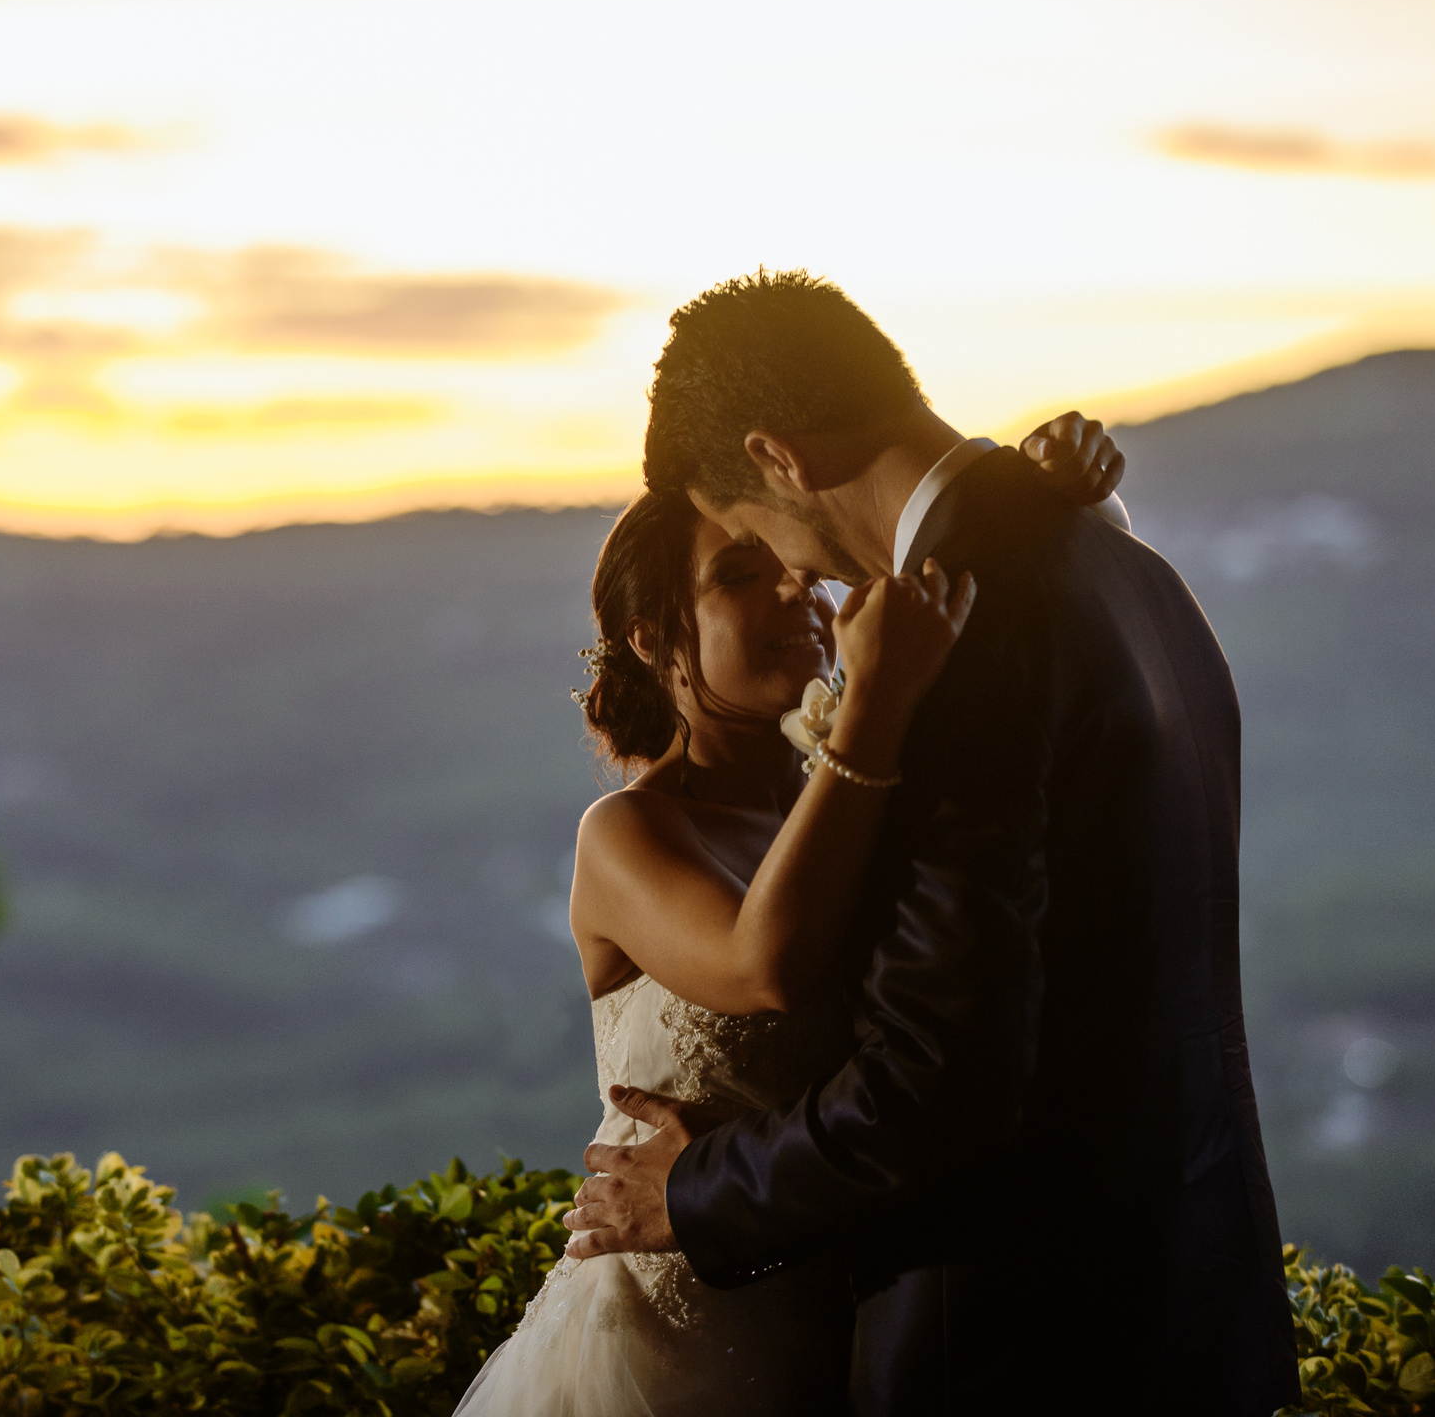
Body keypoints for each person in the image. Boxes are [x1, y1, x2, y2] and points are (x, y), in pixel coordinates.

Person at [560, 270, 1300, 1415]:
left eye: (758, 534)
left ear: (779, 457)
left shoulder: (959, 646)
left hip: (1017, 1343)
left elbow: (937, 1083)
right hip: (1196, 1300)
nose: (800, 581)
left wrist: (693, 1194)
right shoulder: (1127, 570)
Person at [453, 418, 1126, 1415]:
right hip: (670, 1348)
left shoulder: (867, 792)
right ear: (651, 639)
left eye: (797, 569)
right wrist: (875, 707)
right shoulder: (630, 833)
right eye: (736, 575)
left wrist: (1055, 498)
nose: (792, 591)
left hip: (862, 1320)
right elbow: (767, 961)